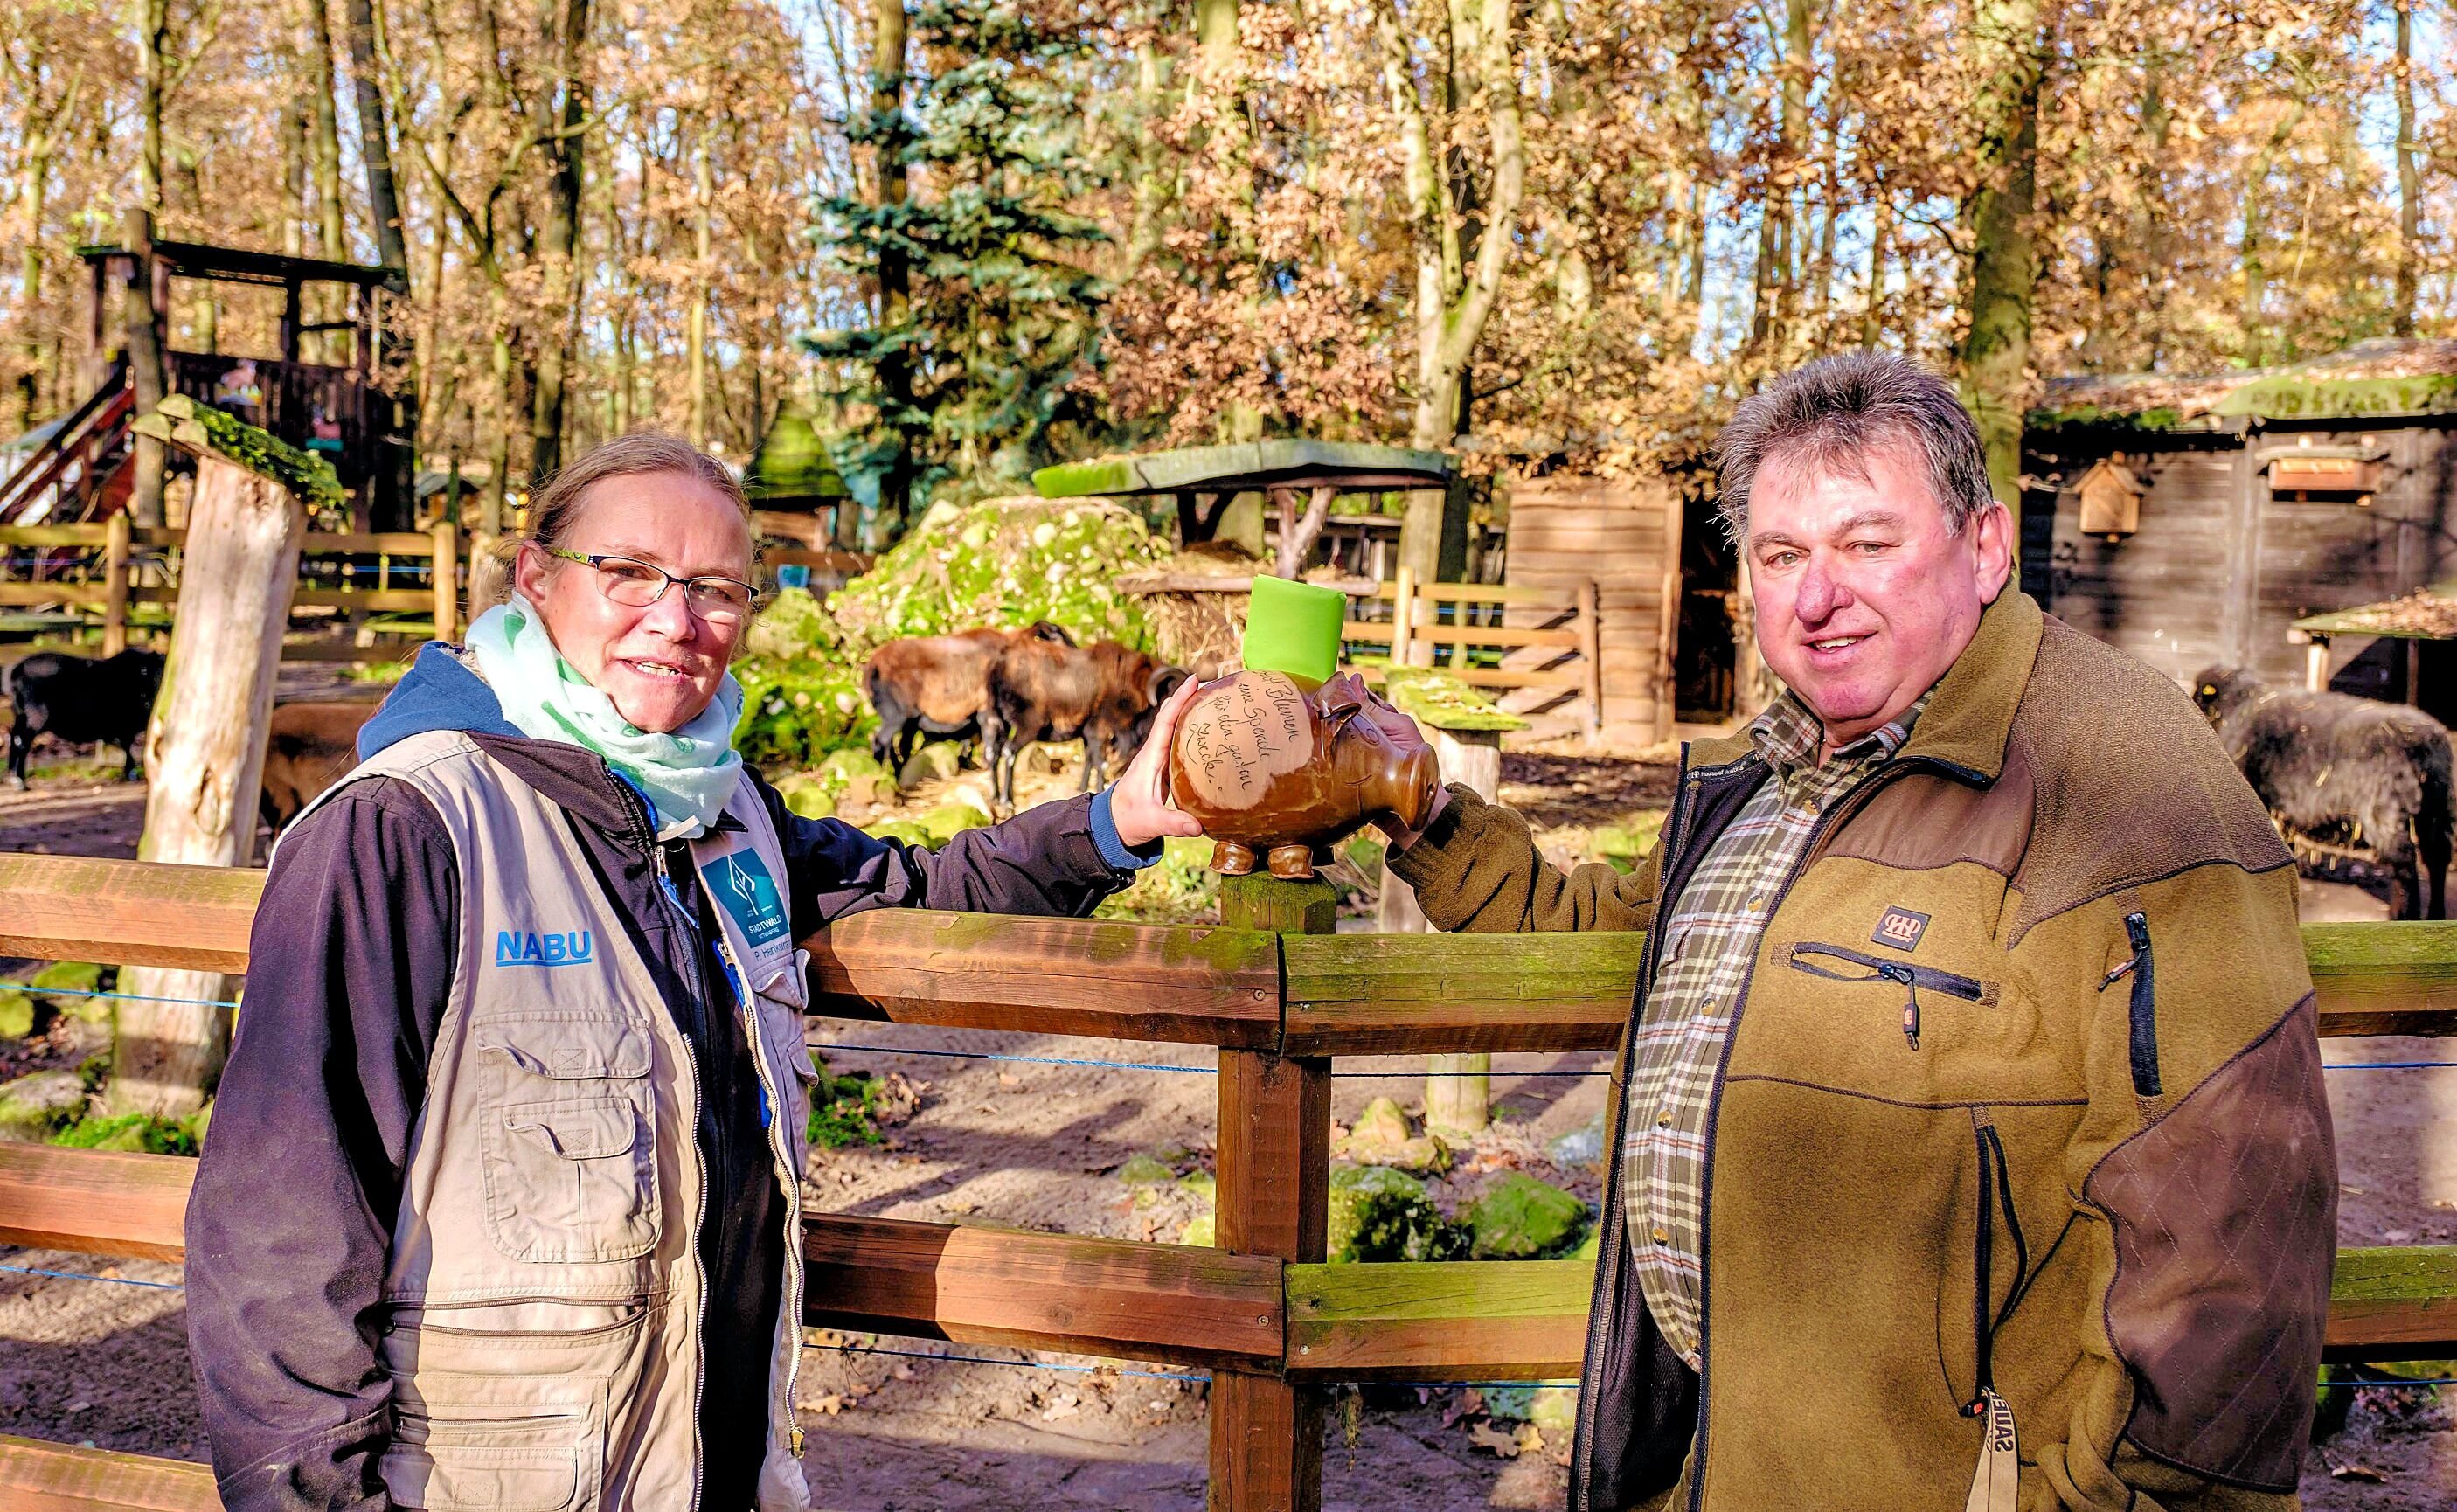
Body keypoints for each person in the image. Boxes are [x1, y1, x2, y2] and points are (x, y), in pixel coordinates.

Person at [1380, 354, 2336, 1511]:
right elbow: (1620, 936)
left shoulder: (2119, 781)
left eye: (1865, 543)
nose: (1815, 595)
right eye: (1782, 555)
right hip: (1724, 1459)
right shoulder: (1772, 770)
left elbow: (2231, 1230)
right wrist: (1420, 810)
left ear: (1983, 547)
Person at [184, 433, 1203, 1512]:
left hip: (709, 1464)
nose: (676, 620)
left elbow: (913, 887)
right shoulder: (405, 830)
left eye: (717, 588)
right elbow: (280, 1229)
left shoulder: (726, 816)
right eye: (628, 573)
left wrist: (1116, 820)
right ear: (536, 577)